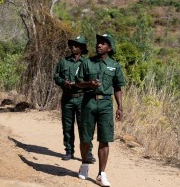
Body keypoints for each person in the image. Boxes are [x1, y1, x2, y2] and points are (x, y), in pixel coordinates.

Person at [76, 33, 126, 187]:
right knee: (85, 138)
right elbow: (78, 83)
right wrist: (89, 84)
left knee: (104, 139)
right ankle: (84, 165)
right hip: (88, 102)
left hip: (105, 104)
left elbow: (117, 87)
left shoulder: (114, 65)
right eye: (98, 43)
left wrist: (120, 107)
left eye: (103, 43)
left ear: (109, 48)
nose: (99, 45)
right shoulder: (87, 62)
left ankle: (101, 174)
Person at [53, 35, 95, 163]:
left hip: (82, 99)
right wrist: (62, 82)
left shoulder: (87, 63)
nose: (73, 47)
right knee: (67, 126)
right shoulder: (63, 61)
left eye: (76, 45)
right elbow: (56, 76)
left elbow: (91, 79)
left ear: (81, 48)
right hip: (67, 98)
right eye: (71, 45)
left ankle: (88, 152)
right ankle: (69, 151)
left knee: (85, 126)